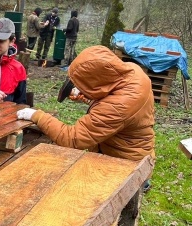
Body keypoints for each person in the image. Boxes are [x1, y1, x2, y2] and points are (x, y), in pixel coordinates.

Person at [17, 45, 155, 162]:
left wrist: (38, 116)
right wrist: (89, 96)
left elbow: (73, 139)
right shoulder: (131, 71)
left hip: (126, 162)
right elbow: (112, 99)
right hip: (128, 150)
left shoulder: (120, 106)